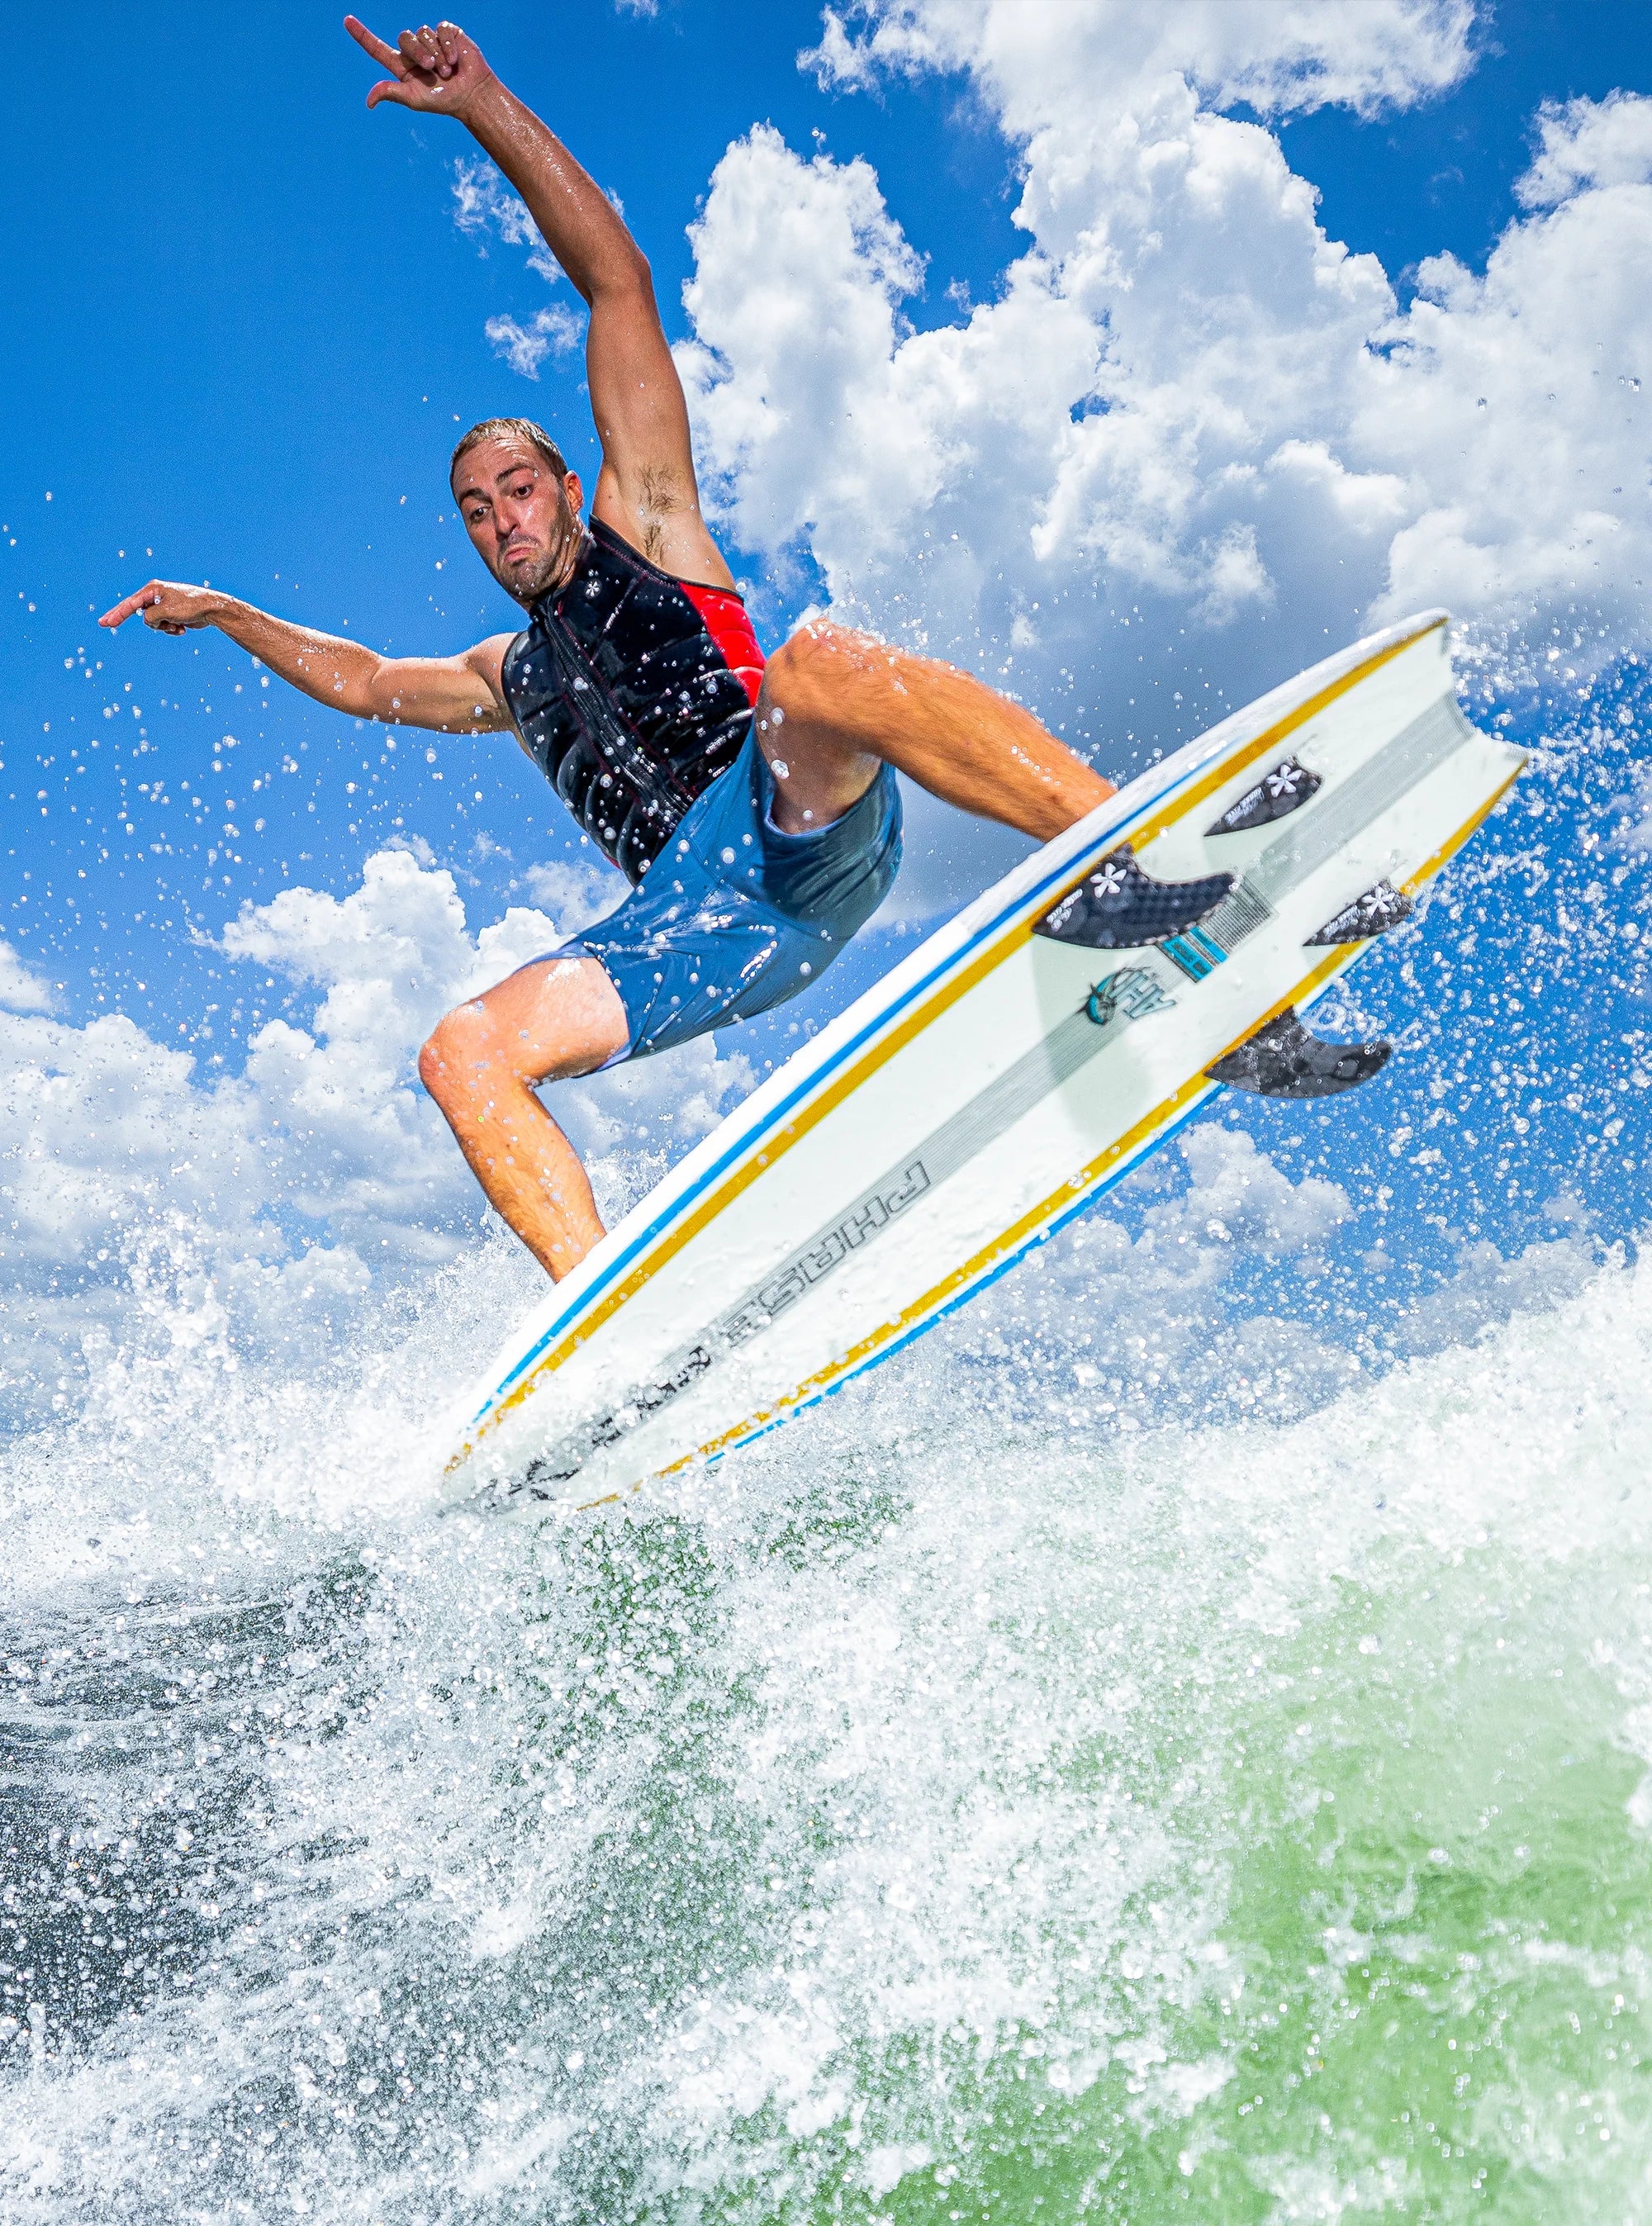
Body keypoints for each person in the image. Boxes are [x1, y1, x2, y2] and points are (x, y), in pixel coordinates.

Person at [101, 16, 1227, 1284]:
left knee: (819, 659)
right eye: (474, 511)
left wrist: (484, 108)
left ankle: (1134, 857)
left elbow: (617, 284)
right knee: (458, 1053)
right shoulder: (503, 680)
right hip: (687, 929)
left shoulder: (651, 523)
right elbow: (362, 680)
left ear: (570, 487)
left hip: (793, 820)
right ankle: (605, 1338)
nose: (500, 520)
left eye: (517, 488)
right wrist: (230, 614)